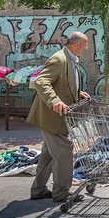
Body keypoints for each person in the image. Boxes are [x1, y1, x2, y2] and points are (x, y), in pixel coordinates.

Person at [27, 31, 91, 202]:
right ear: (77, 45)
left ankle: (38, 190)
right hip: (52, 116)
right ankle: (62, 192)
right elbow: (41, 81)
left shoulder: (70, 59)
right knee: (64, 152)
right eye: (85, 44)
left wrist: (78, 93)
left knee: (48, 154)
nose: (86, 48)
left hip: (58, 116)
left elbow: (65, 83)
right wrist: (55, 101)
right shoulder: (59, 59)